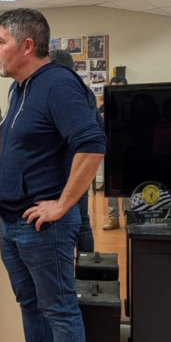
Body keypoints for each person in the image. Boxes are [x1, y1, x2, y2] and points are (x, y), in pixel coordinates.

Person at [0, 8, 106, 342]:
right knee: (30, 303)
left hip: (44, 227)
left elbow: (92, 145)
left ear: (26, 46)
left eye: (0, 41)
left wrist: (62, 204)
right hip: (12, 221)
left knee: (59, 310)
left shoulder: (58, 84)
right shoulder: (20, 89)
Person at [49, 47, 101, 254]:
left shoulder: (57, 89)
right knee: (83, 220)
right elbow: (98, 126)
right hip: (81, 165)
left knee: (60, 219)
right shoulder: (86, 92)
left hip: (59, 166)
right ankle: (87, 267)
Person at [103, 74, 128, 230]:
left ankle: (129, 218)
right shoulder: (105, 106)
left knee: (127, 184)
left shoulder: (132, 105)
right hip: (110, 148)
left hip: (128, 148)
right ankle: (113, 218)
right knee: (111, 185)